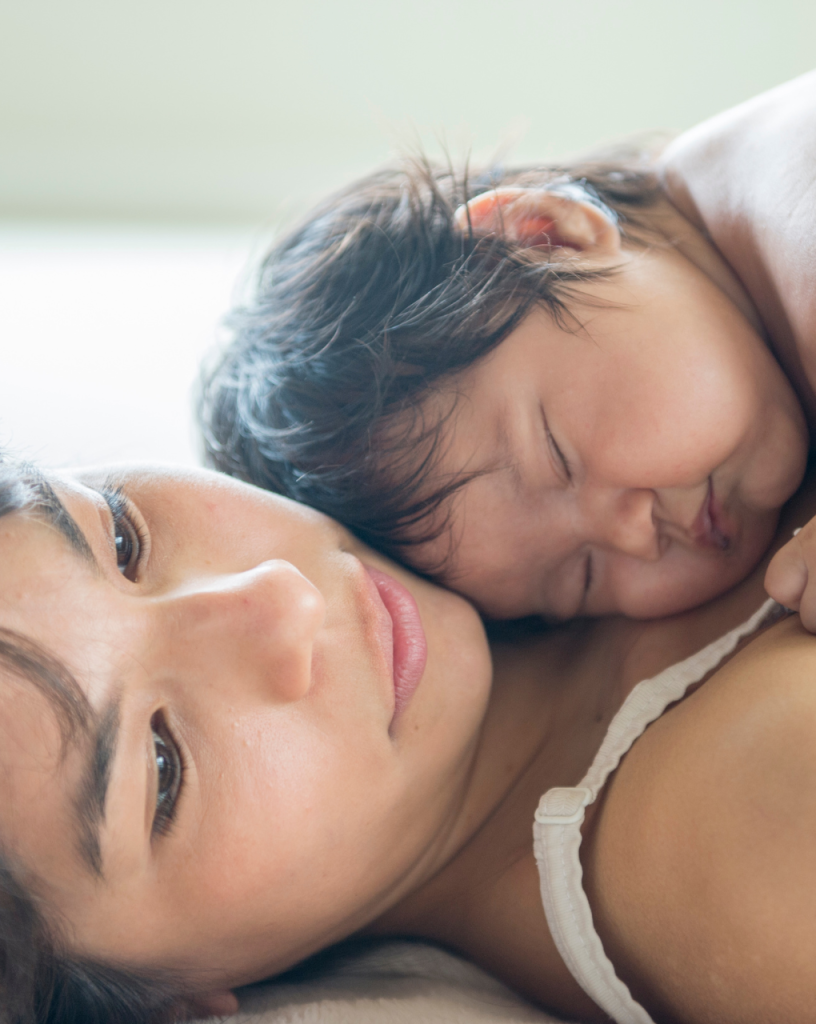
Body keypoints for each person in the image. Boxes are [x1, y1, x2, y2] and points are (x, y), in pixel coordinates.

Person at [3, 455, 816, 1024]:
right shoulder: (744, 851)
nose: (279, 602)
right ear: (166, 1006)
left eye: (118, 538)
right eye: (163, 766)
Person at [199, 72, 816, 624]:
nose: (632, 536)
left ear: (547, 238)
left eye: (559, 458)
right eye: (581, 578)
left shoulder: (787, 195)